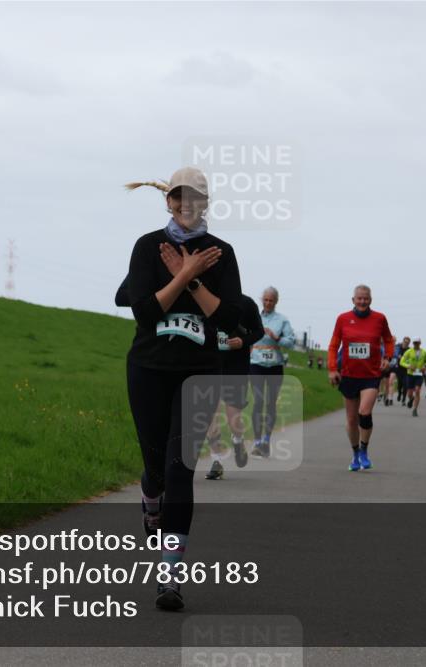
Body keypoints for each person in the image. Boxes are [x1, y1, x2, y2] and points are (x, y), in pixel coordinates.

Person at [122, 166, 242, 610]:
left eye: (194, 198)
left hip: (200, 371)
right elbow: (144, 312)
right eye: (178, 197)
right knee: (156, 468)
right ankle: (148, 496)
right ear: (168, 201)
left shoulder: (223, 253)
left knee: (180, 469)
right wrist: (182, 273)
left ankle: (169, 576)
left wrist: (192, 276)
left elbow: (230, 319)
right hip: (149, 369)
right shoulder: (146, 246)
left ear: (205, 202)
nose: (185, 205)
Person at [327, 285, 394, 471]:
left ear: (370, 300)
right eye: (359, 298)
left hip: (370, 375)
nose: (362, 301)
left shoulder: (379, 318)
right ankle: (355, 454)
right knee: (351, 420)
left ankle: (364, 450)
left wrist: (387, 358)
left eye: (366, 298)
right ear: (353, 300)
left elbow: (389, 340)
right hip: (348, 374)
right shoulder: (343, 319)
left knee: (364, 412)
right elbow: (333, 345)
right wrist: (332, 369)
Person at [203, 294, 264, 480]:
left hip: (236, 366)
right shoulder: (203, 299)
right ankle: (216, 460)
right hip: (210, 365)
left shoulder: (246, 303)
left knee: (233, 419)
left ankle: (238, 441)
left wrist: (243, 342)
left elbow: (259, 332)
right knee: (209, 414)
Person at [248, 287, 294, 457]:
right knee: (258, 401)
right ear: (262, 300)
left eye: (271, 300)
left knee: (270, 403)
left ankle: (266, 440)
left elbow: (291, 342)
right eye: (265, 300)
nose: (268, 303)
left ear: (276, 301)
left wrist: (277, 338)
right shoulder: (254, 318)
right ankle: (257, 441)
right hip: (256, 363)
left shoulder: (282, 320)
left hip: (274, 365)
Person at [400, 338, 426, 417]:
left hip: (419, 374)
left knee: (417, 391)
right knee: (410, 393)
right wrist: (408, 366)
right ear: (413, 344)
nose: (416, 344)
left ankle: (415, 409)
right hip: (410, 374)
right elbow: (401, 362)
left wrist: (425, 366)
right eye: (414, 343)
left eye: (417, 343)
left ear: (420, 343)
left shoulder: (424, 352)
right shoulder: (409, 352)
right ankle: (411, 399)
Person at [393, 336, 411, 405]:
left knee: (405, 384)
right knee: (399, 384)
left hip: (406, 369)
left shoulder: (409, 350)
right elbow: (394, 353)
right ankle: (399, 393)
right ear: (403, 341)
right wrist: (398, 356)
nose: (406, 343)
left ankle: (403, 399)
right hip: (398, 368)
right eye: (405, 342)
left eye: (407, 342)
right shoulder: (398, 348)